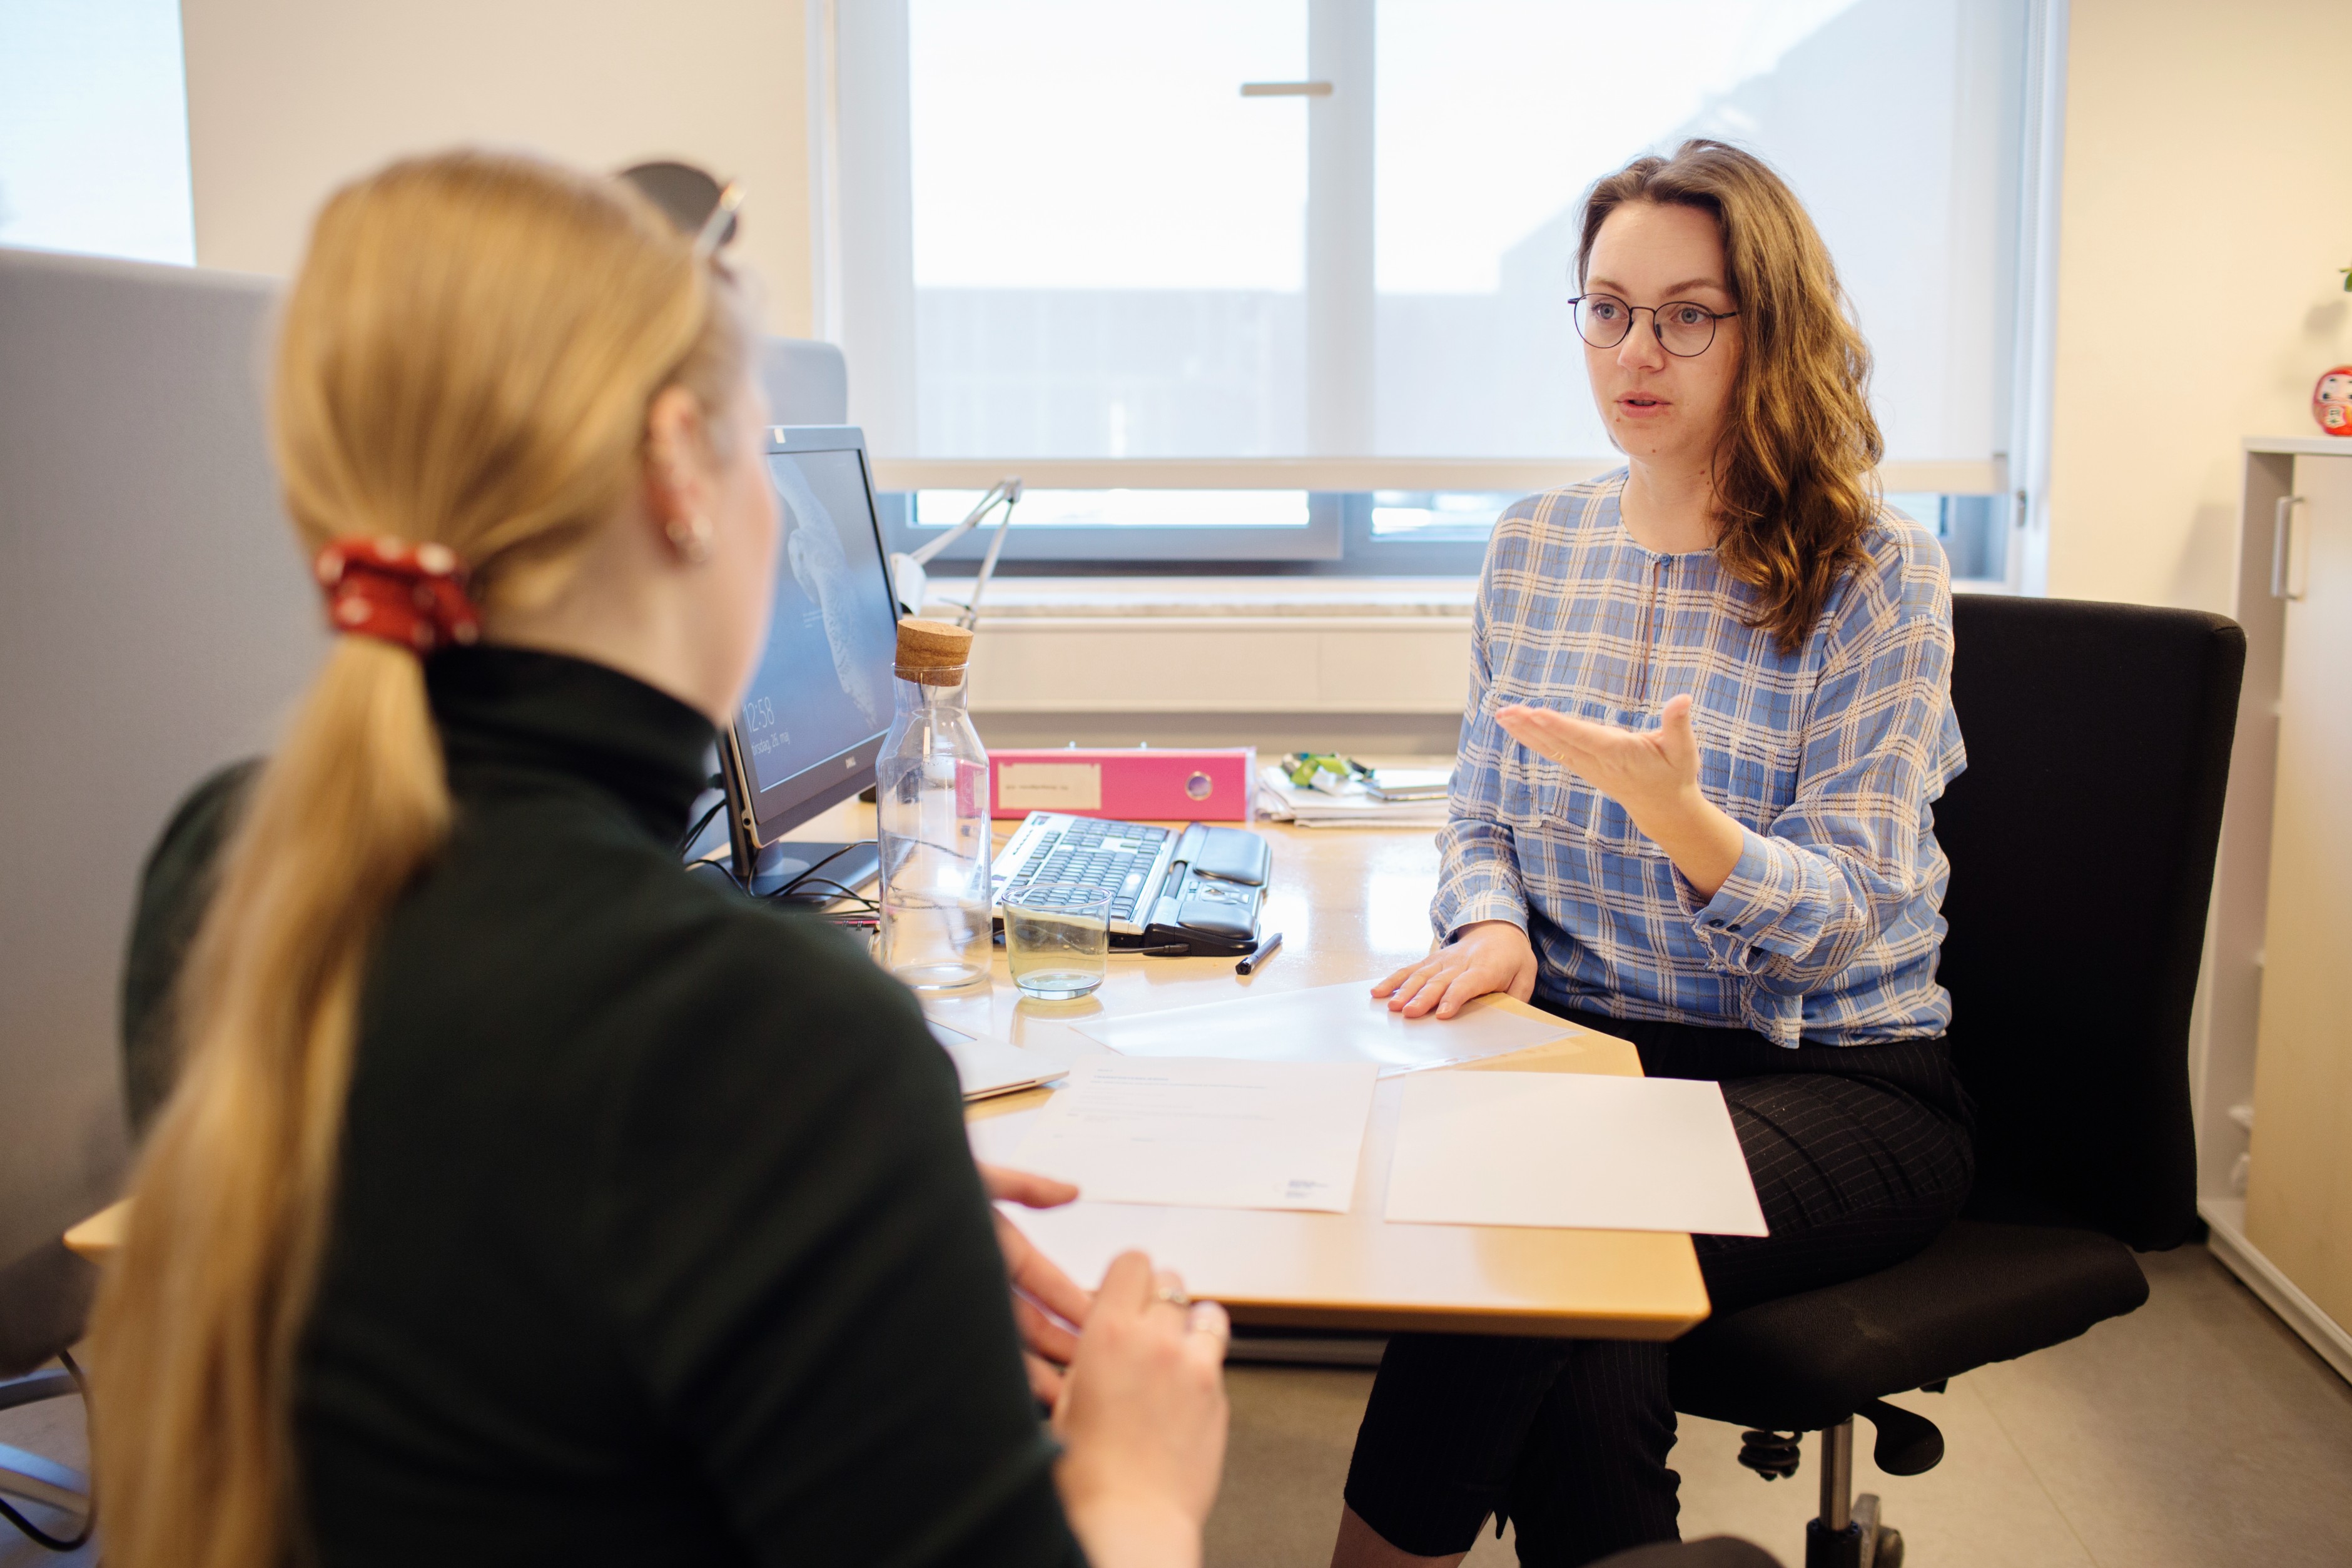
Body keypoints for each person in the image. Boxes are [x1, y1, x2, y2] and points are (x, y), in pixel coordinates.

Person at [88, 149, 1229, 1568]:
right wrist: (1137, 1489)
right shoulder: (773, 1039)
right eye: (758, 445)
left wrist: (845, 1238)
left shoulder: (225, 871)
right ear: (682, 469)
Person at [1329, 141, 1974, 1568]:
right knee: (1580, 1312)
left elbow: (1845, 920)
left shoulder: (1878, 574)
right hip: (1592, 1065)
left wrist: (1683, 823)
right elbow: (1480, 810)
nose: (1636, 349)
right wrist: (1487, 926)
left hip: (1835, 1082)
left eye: (1688, 312)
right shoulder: (1532, 545)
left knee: (1548, 1238)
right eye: (1606, 307)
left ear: (1771, 327)